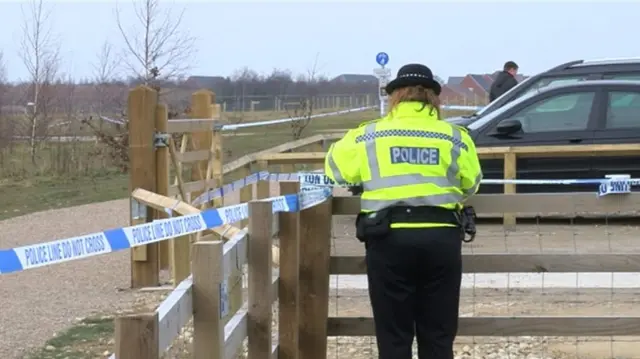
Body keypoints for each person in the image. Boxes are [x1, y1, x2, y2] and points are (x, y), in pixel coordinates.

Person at [324, 63, 483, 359]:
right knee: (438, 333)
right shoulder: (454, 136)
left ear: (394, 97)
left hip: (388, 240)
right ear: (435, 98)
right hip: (441, 240)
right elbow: (471, 184)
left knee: (394, 334)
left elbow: (336, 171)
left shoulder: (368, 136)